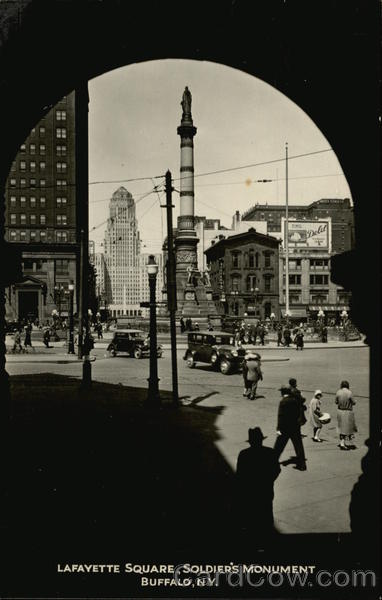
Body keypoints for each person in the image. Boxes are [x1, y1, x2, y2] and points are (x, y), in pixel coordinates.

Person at [234, 427, 280, 536]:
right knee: (267, 514)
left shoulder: (244, 454)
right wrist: (268, 480)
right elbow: (277, 470)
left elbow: (240, 474)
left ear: (250, 442)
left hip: (249, 491)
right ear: (261, 440)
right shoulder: (270, 453)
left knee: (251, 516)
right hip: (265, 489)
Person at [274, 384, 307, 470]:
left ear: (283, 392)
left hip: (285, 428)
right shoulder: (295, 400)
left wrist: (278, 428)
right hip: (295, 427)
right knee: (298, 446)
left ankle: (272, 462)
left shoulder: (283, 402)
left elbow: (280, 416)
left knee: (278, 447)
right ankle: (302, 465)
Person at [335, 380, 357, 450]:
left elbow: (336, 402)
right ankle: (342, 443)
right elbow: (353, 403)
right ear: (348, 385)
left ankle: (342, 442)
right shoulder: (349, 393)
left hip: (340, 411)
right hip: (347, 412)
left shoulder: (338, 392)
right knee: (346, 428)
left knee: (341, 428)